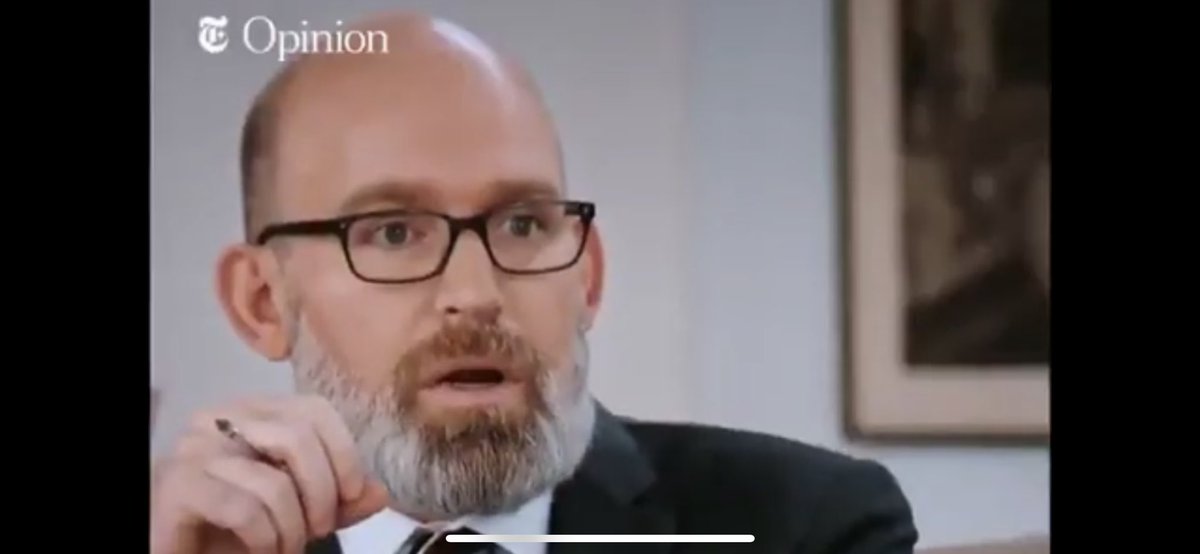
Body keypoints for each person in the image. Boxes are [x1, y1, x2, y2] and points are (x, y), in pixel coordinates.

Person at [149, 11, 918, 554]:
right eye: (393, 233)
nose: (477, 292)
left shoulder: (806, 526)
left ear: (587, 276)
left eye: (521, 224)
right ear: (262, 303)